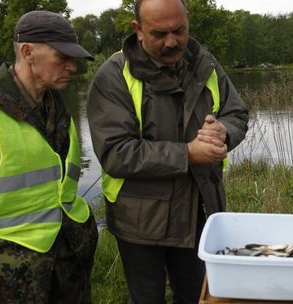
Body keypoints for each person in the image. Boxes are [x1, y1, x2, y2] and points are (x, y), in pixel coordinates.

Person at [86, 0, 249, 303]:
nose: (172, 41)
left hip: (199, 212)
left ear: (187, 22)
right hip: (140, 224)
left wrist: (224, 131)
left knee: (197, 295)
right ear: (138, 30)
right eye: (160, 33)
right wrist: (187, 154)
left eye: (179, 30)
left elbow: (237, 113)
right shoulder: (113, 76)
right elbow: (116, 152)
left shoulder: (205, 63)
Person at [0, 10, 98, 303]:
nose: (73, 67)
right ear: (28, 52)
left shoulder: (58, 109)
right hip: (7, 287)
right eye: (62, 57)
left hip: (69, 278)